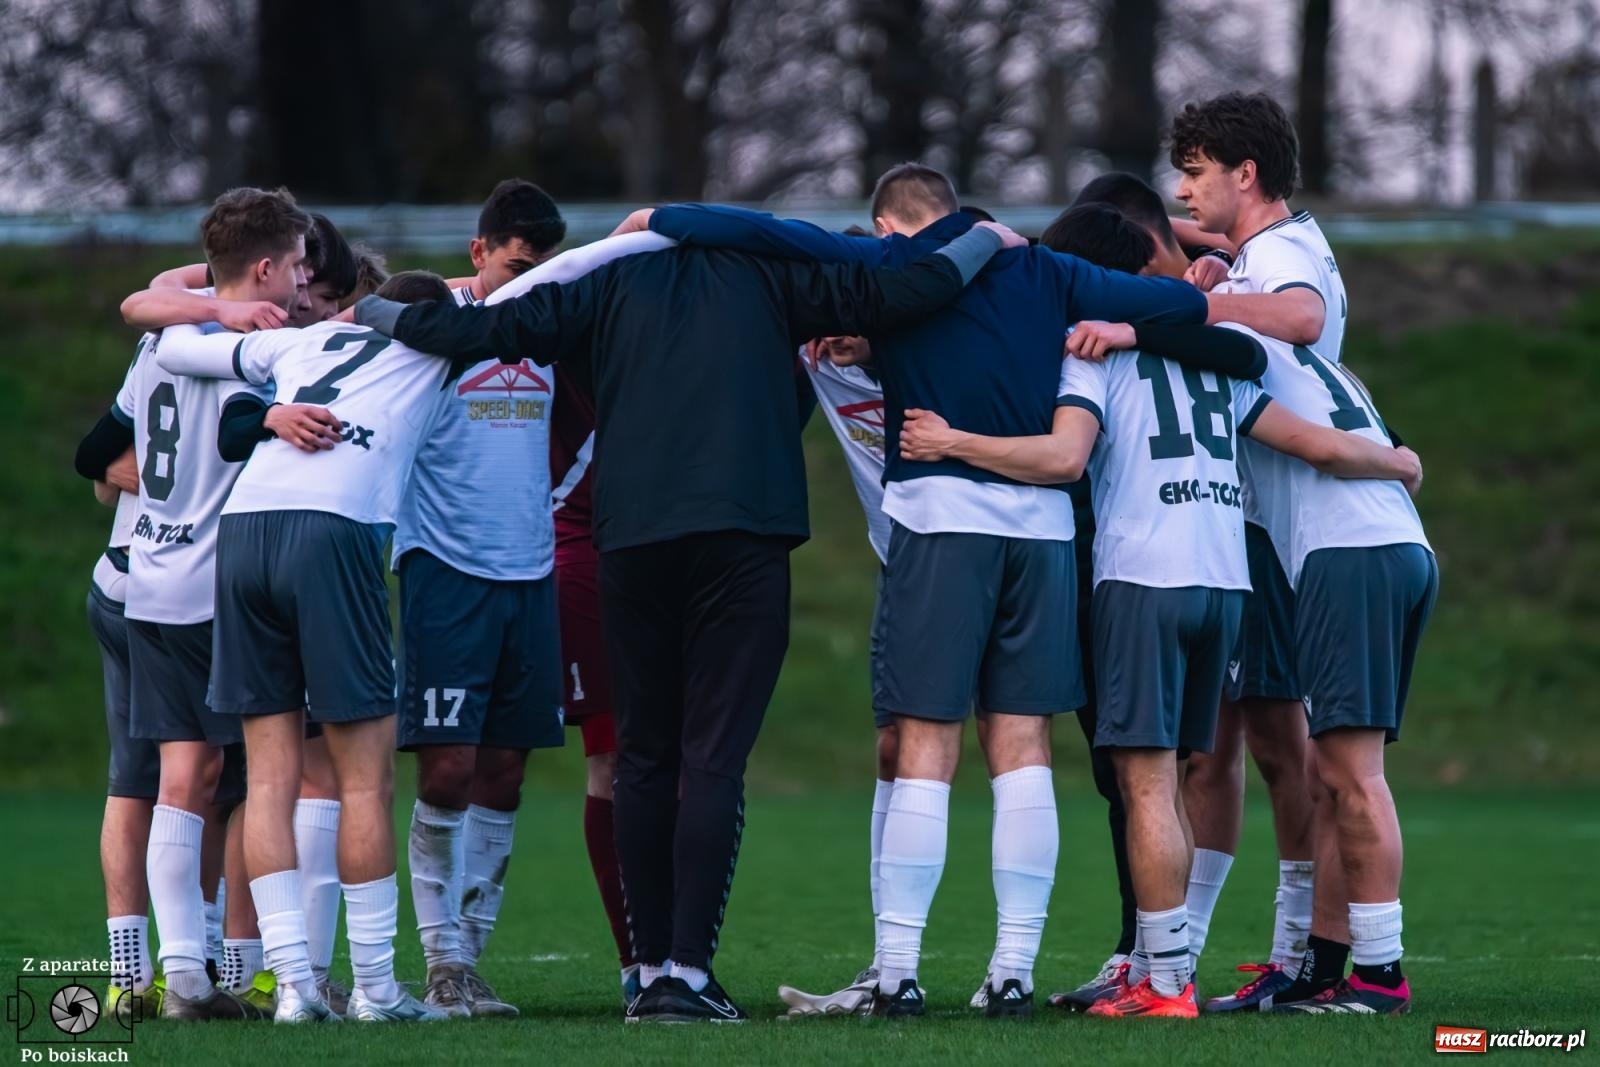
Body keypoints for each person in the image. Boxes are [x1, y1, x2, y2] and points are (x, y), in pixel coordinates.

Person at [354, 219, 1023, 1024]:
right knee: (711, 755)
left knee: (641, 753)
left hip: (632, 538)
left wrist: (367, 314)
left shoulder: (605, 281)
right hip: (743, 534)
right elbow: (919, 288)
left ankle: (645, 977)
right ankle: (688, 974)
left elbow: (475, 328)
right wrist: (985, 235)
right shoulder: (774, 275)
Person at [635, 167, 1210, 1018]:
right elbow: (1184, 312)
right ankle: (1012, 970)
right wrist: (1176, 286)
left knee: (925, 746)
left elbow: (771, 233)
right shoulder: (1049, 270)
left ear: (891, 226)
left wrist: (663, 214)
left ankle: (897, 971)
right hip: (1044, 534)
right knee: (1023, 747)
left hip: (943, 521)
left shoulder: (893, 274)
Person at [898, 203, 1420, 1019]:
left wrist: (950, 441)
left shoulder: (1090, 353)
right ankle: (1240, 960)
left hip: (1145, 580)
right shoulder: (1219, 361)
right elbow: (1309, 436)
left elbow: (1063, 456)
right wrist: (1400, 461)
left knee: (1149, 785)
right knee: (1193, 774)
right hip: (1229, 585)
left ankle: (1166, 980)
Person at [73, 186, 312, 1021]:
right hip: (212, 587)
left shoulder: (162, 338)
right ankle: (211, 972)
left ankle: (179, 976)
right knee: (231, 780)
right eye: (296, 265)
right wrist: (279, 409)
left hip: (149, 574)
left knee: (184, 776)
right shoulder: (251, 345)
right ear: (266, 267)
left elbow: (100, 451)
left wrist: (196, 299)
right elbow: (239, 412)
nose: (304, 281)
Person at [1165, 91, 1352, 1011]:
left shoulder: (1281, 255)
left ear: (1245, 174)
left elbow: (1305, 319)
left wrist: (1210, 300)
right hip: (1246, 525)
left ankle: (1297, 952)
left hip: (1278, 532)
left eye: (1195, 172)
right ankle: (1193, 951)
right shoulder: (1261, 248)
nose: (1184, 189)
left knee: (1285, 748)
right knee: (1225, 744)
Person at [398, 180, 570, 1019]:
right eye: (515, 264)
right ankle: (439, 960)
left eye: (542, 267)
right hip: (445, 569)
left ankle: (472, 958)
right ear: (478, 252)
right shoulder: (433, 327)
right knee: (450, 764)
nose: (528, 279)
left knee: (507, 767)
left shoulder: (551, 329)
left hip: (530, 574)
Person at [71, 439, 161, 1021]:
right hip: (185, 582)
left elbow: (104, 476)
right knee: (219, 781)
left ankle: (128, 976)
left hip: (117, 574)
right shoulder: (250, 364)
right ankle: (208, 967)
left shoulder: (152, 357)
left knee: (130, 780)